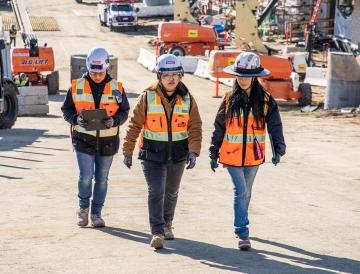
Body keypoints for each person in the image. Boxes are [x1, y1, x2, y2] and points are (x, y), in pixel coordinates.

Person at [122, 54, 202, 249]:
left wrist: (194, 151)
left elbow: (195, 127)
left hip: (178, 154)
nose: (171, 78)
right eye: (166, 74)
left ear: (181, 76)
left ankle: (167, 224)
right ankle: (157, 232)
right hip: (152, 154)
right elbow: (134, 125)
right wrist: (127, 150)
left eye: (175, 74)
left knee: (171, 192)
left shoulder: (187, 99)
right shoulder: (147, 97)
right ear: (159, 76)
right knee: (156, 191)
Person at [209, 52, 286, 250]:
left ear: (255, 76)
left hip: (254, 156)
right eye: (239, 75)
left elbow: (275, 125)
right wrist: (213, 152)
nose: (242, 80)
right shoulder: (228, 100)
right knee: (240, 191)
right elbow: (219, 127)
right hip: (231, 156)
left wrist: (279, 148)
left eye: (246, 76)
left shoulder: (266, 101)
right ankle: (242, 233)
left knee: (247, 192)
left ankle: (242, 220)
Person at [61, 47, 129, 228]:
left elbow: (124, 112)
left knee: (101, 179)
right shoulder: (76, 87)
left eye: (100, 72)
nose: (97, 76)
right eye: (93, 72)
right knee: (85, 176)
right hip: (83, 140)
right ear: (88, 68)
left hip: (108, 142)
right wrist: (76, 120)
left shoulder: (117, 88)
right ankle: (83, 210)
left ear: (107, 67)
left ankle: (96, 213)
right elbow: (66, 110)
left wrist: (114, 120)